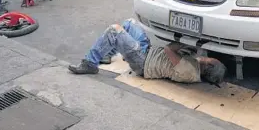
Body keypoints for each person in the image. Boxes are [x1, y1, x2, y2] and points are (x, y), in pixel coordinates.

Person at [69, 18, 227, 86]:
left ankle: (90, 63)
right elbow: (197, 53)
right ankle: (107, 54)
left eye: (213, 60)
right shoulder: (198, 68)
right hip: (148, 51)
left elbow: (168, 50)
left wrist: (182, 40)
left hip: (143, 62)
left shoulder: (189, 71)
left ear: (210, 64)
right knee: (129, 23)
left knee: (114, 30)